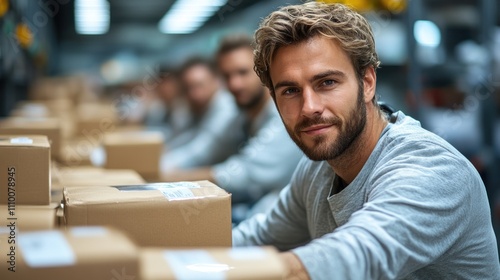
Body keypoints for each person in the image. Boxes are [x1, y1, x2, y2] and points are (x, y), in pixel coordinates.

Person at [232, 2, 500, 279]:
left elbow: (354, 258)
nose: (309, 107)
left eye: (327, 83)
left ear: (368, 82)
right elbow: (257, 236)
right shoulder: (317, 169)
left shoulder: (434, 171)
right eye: (290, 90)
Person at [162, 35, 303, 212]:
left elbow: (245, 172)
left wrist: (172, 178)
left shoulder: (282, 117)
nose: (234, 84)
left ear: (264, 72)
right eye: (227, 76)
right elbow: (209, 148)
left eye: (243, 73)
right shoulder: (239, 116)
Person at [161, 57, 237, 169]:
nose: (194, 94)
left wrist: (159, 163)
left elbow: (201, 152)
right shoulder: (199, 108)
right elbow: (185, 137)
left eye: (199, 85)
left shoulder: (226, 107)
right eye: (188, 88)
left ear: (216, 81)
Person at [145, 67, 191, 146]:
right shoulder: (158, 108)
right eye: (160, 83)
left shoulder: (185, 109)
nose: (164, 87)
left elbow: (184, 138)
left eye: (167, 83)